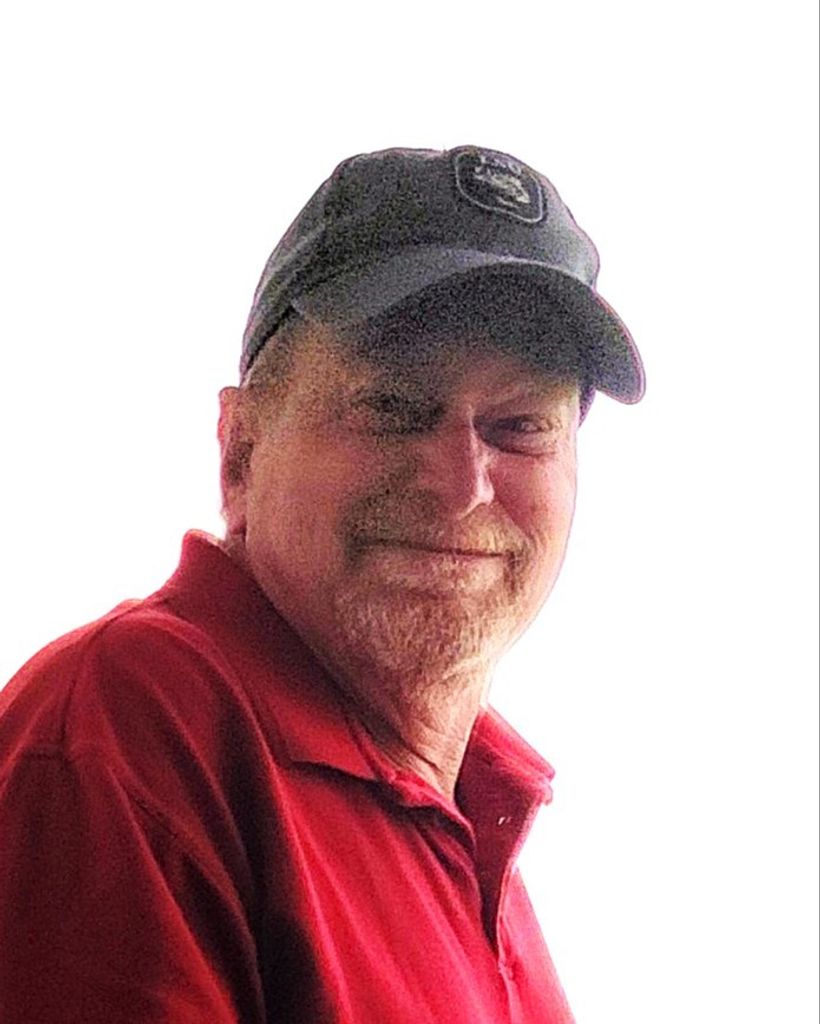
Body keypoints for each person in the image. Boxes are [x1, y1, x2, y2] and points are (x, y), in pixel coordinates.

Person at [0, 145, 644, 1023]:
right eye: (392, 408)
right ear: (240, 452)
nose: (463, 485)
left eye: (520, 426)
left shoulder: (469, 813)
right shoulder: (129, 734)